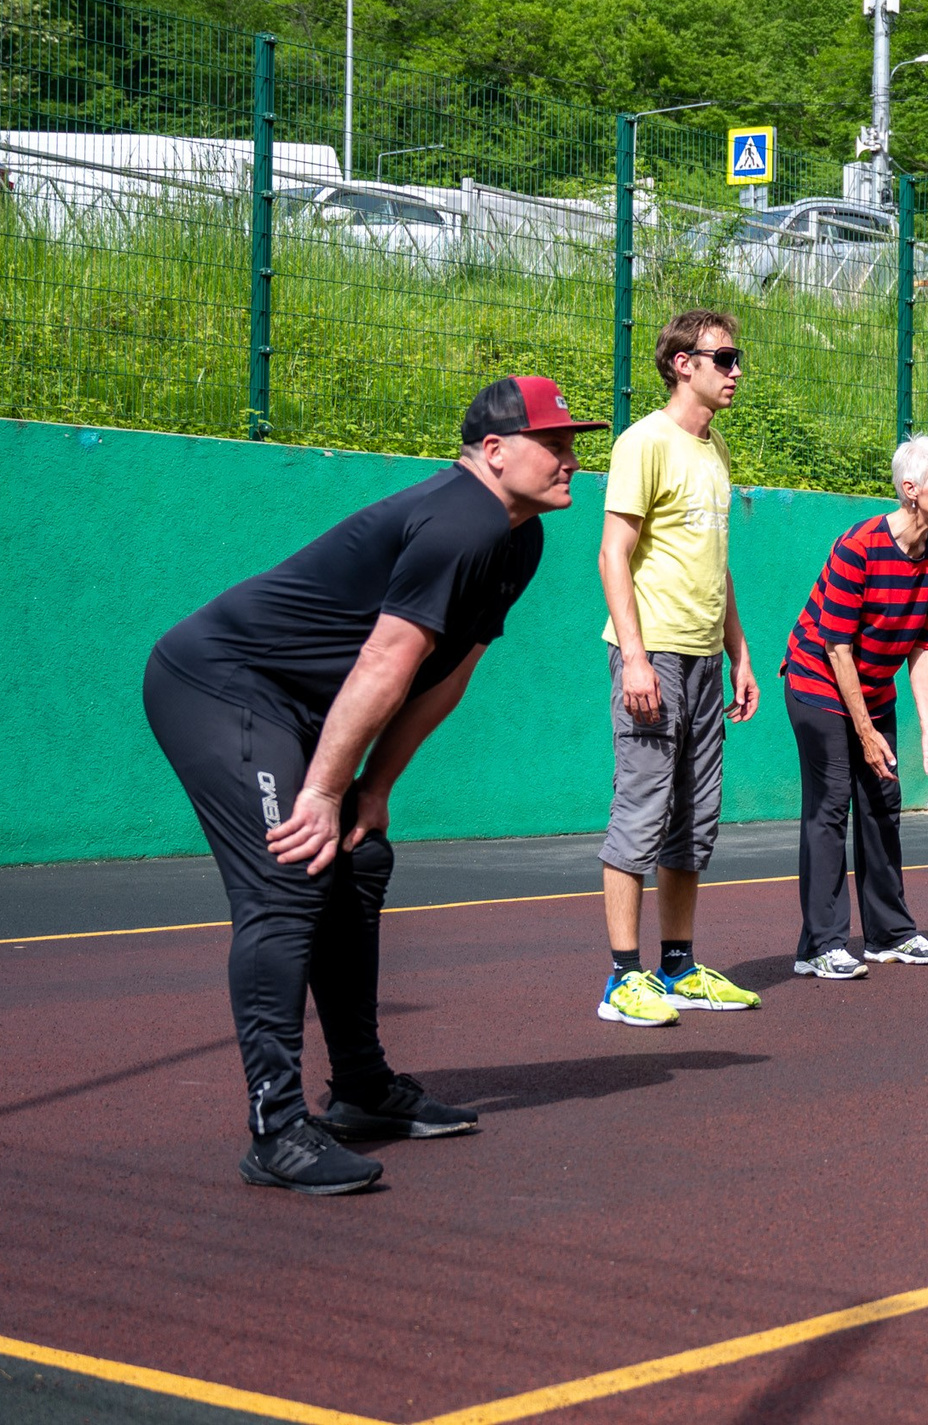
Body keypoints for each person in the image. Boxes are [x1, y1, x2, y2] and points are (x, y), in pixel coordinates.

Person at [142, 376, 600, 1194]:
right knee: (288, 876)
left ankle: (360, 1089)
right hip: (222, 685)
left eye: (573, 442)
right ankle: (275, 1129)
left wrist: (372, 785)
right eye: (554, 443)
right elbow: (386, 658)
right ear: (493, 451)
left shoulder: (517, 536)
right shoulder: (461, 518)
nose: (573, 458)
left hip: (305, 707)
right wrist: (321, 791)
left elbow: (447, 672)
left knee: (358, 859)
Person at [593, 310, 763, 1027]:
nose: (734, 371)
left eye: (736, 358)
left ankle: (678, 966)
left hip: (702, 658)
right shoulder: (644, 442)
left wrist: (740, 654)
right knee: (641, 809)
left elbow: (716, 567)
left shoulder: (713, 449)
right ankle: (621, 979)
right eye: (722, 358)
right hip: (653, 653)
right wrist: (634, 657)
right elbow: (613, 553)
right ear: (680, 363)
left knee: (694, 822)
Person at [780, 434, 928, 978]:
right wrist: (865, 733)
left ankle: (890, 934)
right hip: (819, 681)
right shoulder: (858, 545)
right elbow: (836, 647)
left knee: (883, 802)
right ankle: (821, 946)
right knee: (831, 803)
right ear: (910, 491)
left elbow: (923, 646)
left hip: (874, 687)